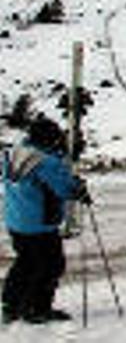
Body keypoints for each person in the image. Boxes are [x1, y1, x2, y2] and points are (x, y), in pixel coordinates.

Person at [2, 116, 91, 324]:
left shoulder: (15, 153)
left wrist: (62, 156)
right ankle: (36, 308)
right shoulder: (46, 162)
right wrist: (78, 189)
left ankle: (11, 304)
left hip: (16, 220)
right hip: (39, 224)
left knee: (25, 262)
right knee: (50, 265)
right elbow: (64, 187)